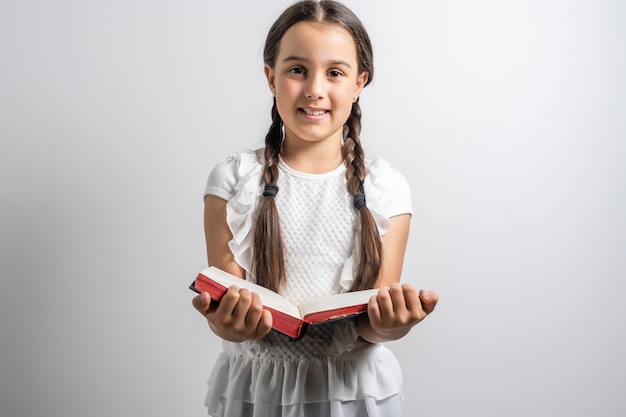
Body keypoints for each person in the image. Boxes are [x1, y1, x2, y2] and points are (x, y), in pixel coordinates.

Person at [192, 1, 439, 416]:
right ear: (271, 77)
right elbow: (223, 314)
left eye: (335, 73)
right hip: (256, 390)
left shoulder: (386, 189)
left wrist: (393, 324)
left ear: (360, 82)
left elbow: (371, 324)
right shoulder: (234, 180)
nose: (314, 90)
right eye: (297, 70)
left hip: (354, 393)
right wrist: (226, 323)